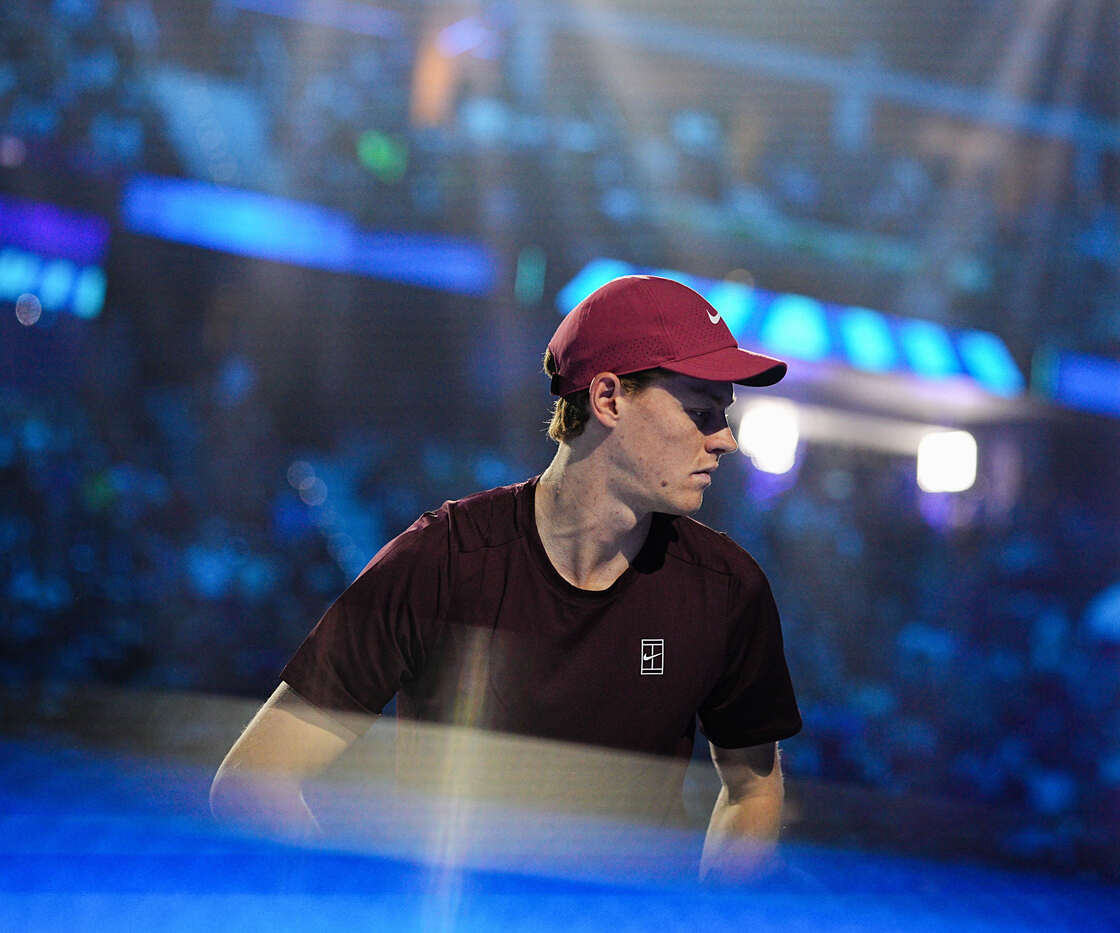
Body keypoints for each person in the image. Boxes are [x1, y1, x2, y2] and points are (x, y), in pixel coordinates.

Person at [210, 275, 802, 882]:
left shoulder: (729, 591)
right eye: (701, 412)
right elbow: (255, 778)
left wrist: (701, 919)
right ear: (607, 398)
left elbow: (753, 789)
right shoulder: (442, 559)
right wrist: (358, 907)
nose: (726, 440)